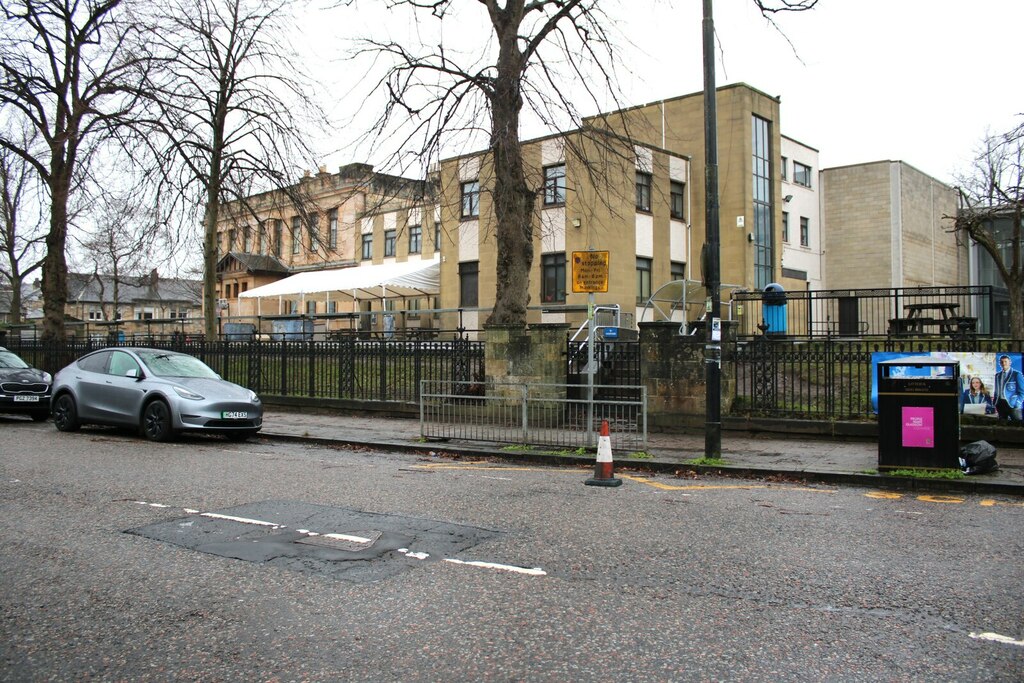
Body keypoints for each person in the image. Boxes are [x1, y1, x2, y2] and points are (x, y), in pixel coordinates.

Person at [992, 354, 1024, 421]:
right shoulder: (997, 375)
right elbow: (996, 390)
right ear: (1000, 363)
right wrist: (995, 402)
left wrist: (1018, 402)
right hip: (1000, 403)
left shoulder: (1017, 374)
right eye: (1002, 362)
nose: (1003, 363)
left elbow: (1022, 391)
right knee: (1002, 425)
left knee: (1017, 424)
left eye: (1005, 361)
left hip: (1013, 403)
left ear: (1010, 362)